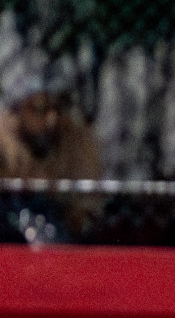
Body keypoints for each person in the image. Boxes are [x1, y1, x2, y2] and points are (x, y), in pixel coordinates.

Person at [0, 64, 103, 243]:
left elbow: (84, 208)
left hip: (58, 228)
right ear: (17, 110)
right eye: (39, 108)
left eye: (58, 107)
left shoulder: (73, 137)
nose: (51, 118)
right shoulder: (4, 136)